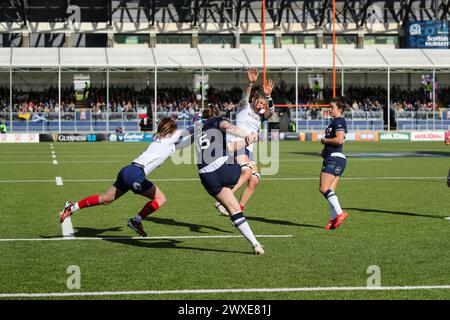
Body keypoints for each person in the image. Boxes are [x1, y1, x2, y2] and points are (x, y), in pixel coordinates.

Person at [59, 117, 192, 237]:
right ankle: (136, 220)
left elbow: (186, 142)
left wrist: (202, 132)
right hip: (136, 174)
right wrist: (203, 124)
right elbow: (187, 131)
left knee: (106, 199)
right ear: (170, 129)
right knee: (161, 198)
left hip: (127, 171)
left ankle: (71, 207)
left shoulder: (161, 141)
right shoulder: (171, 137)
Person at [196, 105, 264, 255]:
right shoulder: (217, 121)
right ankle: (255, 243)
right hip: (223, 170)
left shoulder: (198, 129)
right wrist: (247, 134)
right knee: (248, 171)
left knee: (234, 209)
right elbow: (229, 127)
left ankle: (255, 244)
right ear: (216, 115)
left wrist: (246, 142)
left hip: (206, 176)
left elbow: (229, 147)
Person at [214, 68, 275, 216]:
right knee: (247, 172)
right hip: (237, 144)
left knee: (254, 180)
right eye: (259, 102)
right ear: (254, 100)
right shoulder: (244, 106)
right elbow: (245, 96)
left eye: (263, 104)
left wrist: (268, 96)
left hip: (249, 149)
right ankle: (223, 200)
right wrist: (250, 83)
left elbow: (271, 111)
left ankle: (238, 208)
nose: (261, 106)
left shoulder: (261, 115)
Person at [319, 98, 349, 230]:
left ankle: (340, 213)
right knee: (330, 191)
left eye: (332, 107)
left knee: (323, 188)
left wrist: (325, 140)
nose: (330, 109)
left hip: (334, 158)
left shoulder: (339, 121)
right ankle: (333, 219)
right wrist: (324, 150)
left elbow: (339, 140)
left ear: (340, 109)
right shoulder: (334, 122)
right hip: (336, 157)